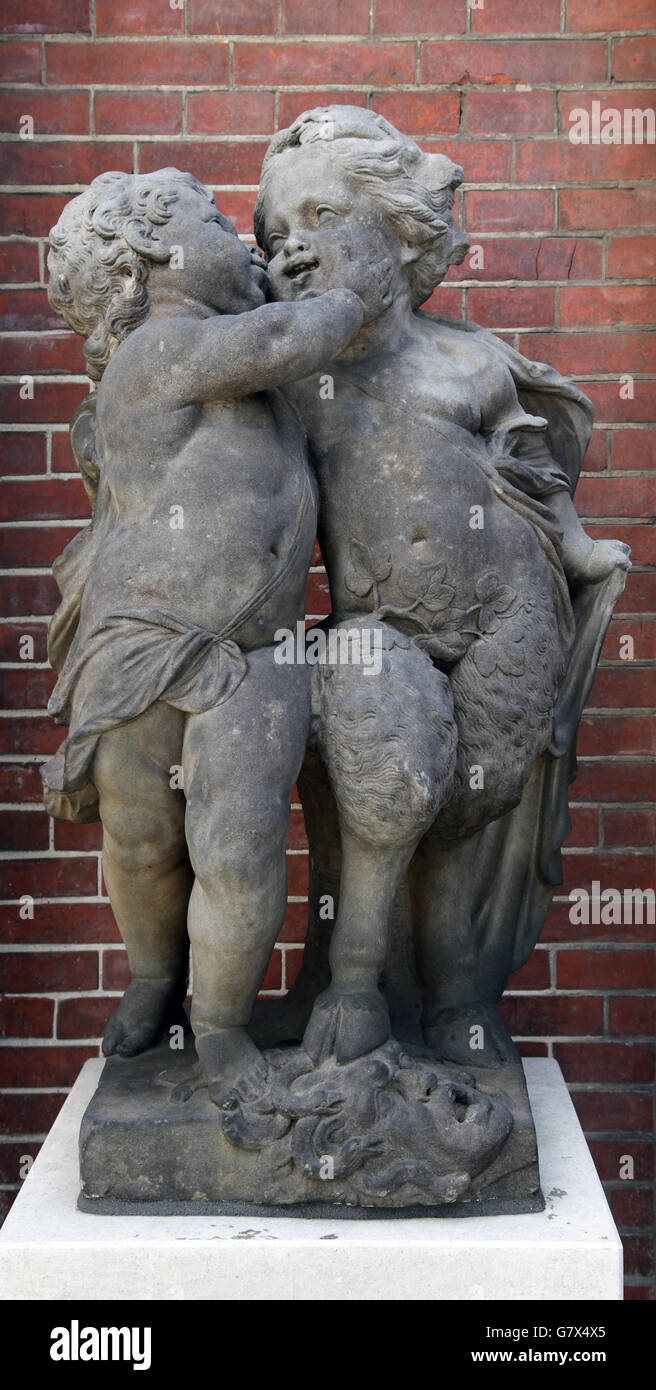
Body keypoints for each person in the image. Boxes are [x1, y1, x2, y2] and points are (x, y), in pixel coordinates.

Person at [254, 108, 630, 1066]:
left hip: (512, 615)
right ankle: (352, 976)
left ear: (399, 230)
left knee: (473, 796)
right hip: (380, 622)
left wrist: (581, 550)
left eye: (322, 217)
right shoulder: (297, 386)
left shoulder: (468, 357)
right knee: (390, 767)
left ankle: (457, 983)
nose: (293, 247)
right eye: (273, 235)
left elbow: (531, 464)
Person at [42, 166, 391, 1104]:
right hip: (144, 647)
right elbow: (285, 333)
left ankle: (223, 1023)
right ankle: (155, 978)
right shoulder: (159, 353)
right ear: (156, 251)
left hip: (258, 656)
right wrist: (355, 290)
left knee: (239, 845)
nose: (242, 235)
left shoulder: (234, 356)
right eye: (213, 218)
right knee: (144, 836)